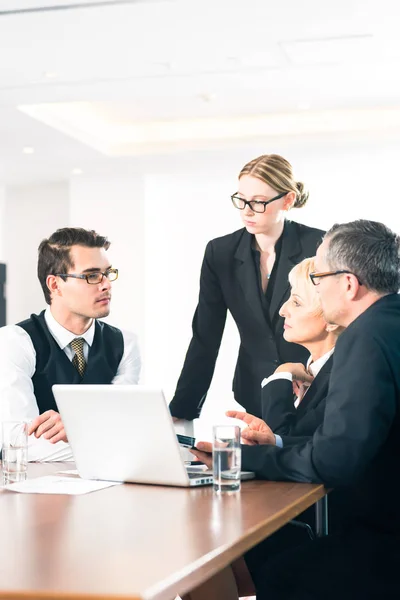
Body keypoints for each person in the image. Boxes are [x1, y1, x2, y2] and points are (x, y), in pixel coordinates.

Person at [192, 219, 400, 599]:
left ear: (349, 284)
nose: (316, 288)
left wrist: (243, 457)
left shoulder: (364, 338)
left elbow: (334, 460)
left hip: (380, 543)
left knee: (268, 569)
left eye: (318, 278)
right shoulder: (390, 324)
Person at [169, 154, 324, 423]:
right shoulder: (220, 252)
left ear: (287, 200)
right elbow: (205, 335)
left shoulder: (320, 245)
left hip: (313, 387)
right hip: (255, 389)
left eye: (259, 202)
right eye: (240, 199)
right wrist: (181, 410)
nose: (246, 210)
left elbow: (340, 321)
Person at [0, 227, 141, 462]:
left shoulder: (125, 344)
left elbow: (125, 425)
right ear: (55, 285)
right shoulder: (15, 342)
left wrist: (75, 429)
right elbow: (15, 442)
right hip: (35, 492)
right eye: (92, 275)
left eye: (108, 273)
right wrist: (106, 438)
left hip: (107, 488)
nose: (106, 285)